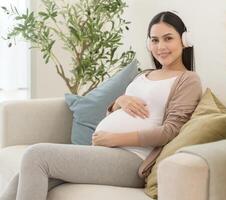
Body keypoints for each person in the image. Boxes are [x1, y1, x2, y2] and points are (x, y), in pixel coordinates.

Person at [0, 11, 202, 200]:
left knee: (36, 155)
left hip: (134, 159)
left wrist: (114, 139)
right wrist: (117, 103)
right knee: (26, 175)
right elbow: (117, 111)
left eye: (168, 38)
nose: (160, 47)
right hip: (108, 151)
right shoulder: (145, 74)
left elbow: (171, 131)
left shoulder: (188, 80)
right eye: (154, 40)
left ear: (184, 41)